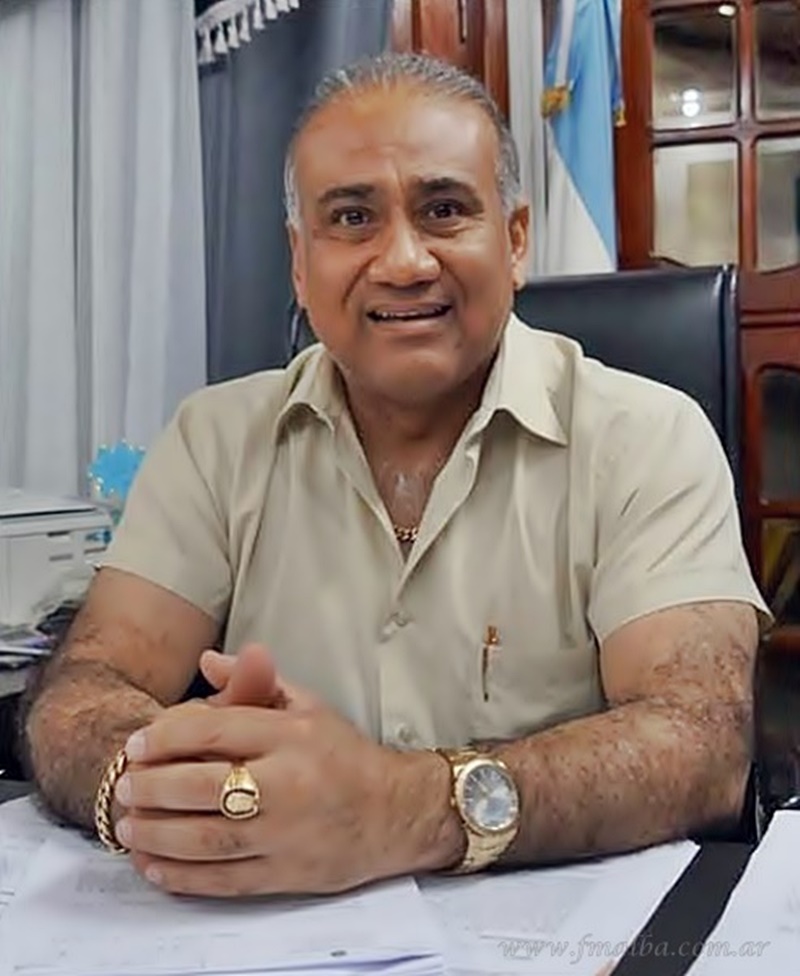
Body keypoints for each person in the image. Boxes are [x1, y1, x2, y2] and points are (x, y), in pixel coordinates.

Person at [22, 52, 768, 899]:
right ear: (300, 264)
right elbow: (86, 687)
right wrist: (168, 785)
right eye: (352, 218)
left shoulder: (647, 437)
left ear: (515, 241)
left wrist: (404, 809)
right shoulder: (215, 439)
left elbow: (699, 742)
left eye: (444, 210)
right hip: (269, 935)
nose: (405, 261)